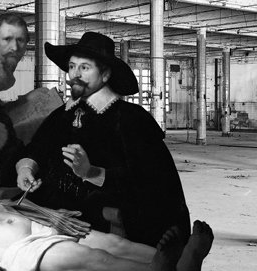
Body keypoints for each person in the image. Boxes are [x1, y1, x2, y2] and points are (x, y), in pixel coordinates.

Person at [16, 31, 190, 247]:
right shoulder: (60, 115)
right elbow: (37, 149)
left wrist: (91, 172)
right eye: (72, 66)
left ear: (105, 74)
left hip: (99, 219)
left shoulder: (132, 119)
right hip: (51, 212)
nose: (75, 74)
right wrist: (26, 169)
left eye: (84, 68)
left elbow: (153, 180)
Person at [0, 188, 213, 271]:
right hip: (19, 252)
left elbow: (7, 206)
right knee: (94, 258)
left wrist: (50, 214)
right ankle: (163, 270)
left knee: (114, 243)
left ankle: (177, 261)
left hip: (40, 227)